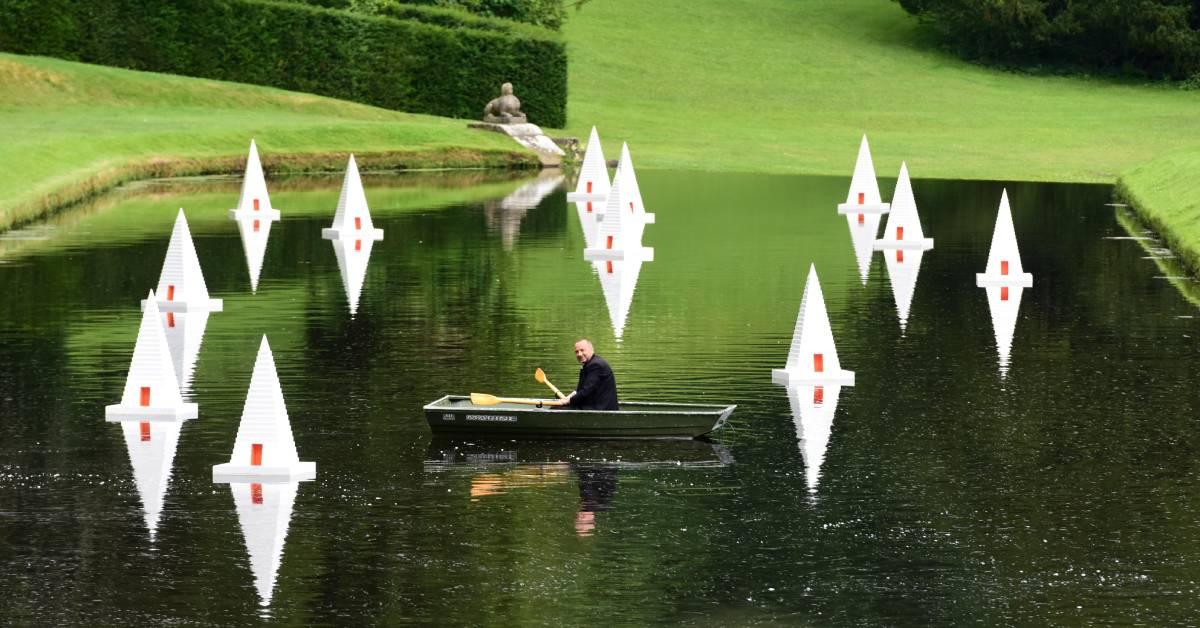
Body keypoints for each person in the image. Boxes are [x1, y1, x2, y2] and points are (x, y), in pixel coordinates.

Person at [559, 338, 619, 410]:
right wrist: (568, 398)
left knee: (556, 409)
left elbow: (585, 391)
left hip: (601, 409)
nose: (579, 354)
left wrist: (569, 401)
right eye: (576, 352)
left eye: (582, 350)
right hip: (595, 406)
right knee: (558, 407)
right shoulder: (589, 364)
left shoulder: (596, 365)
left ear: (591, 350)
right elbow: (580, 390)